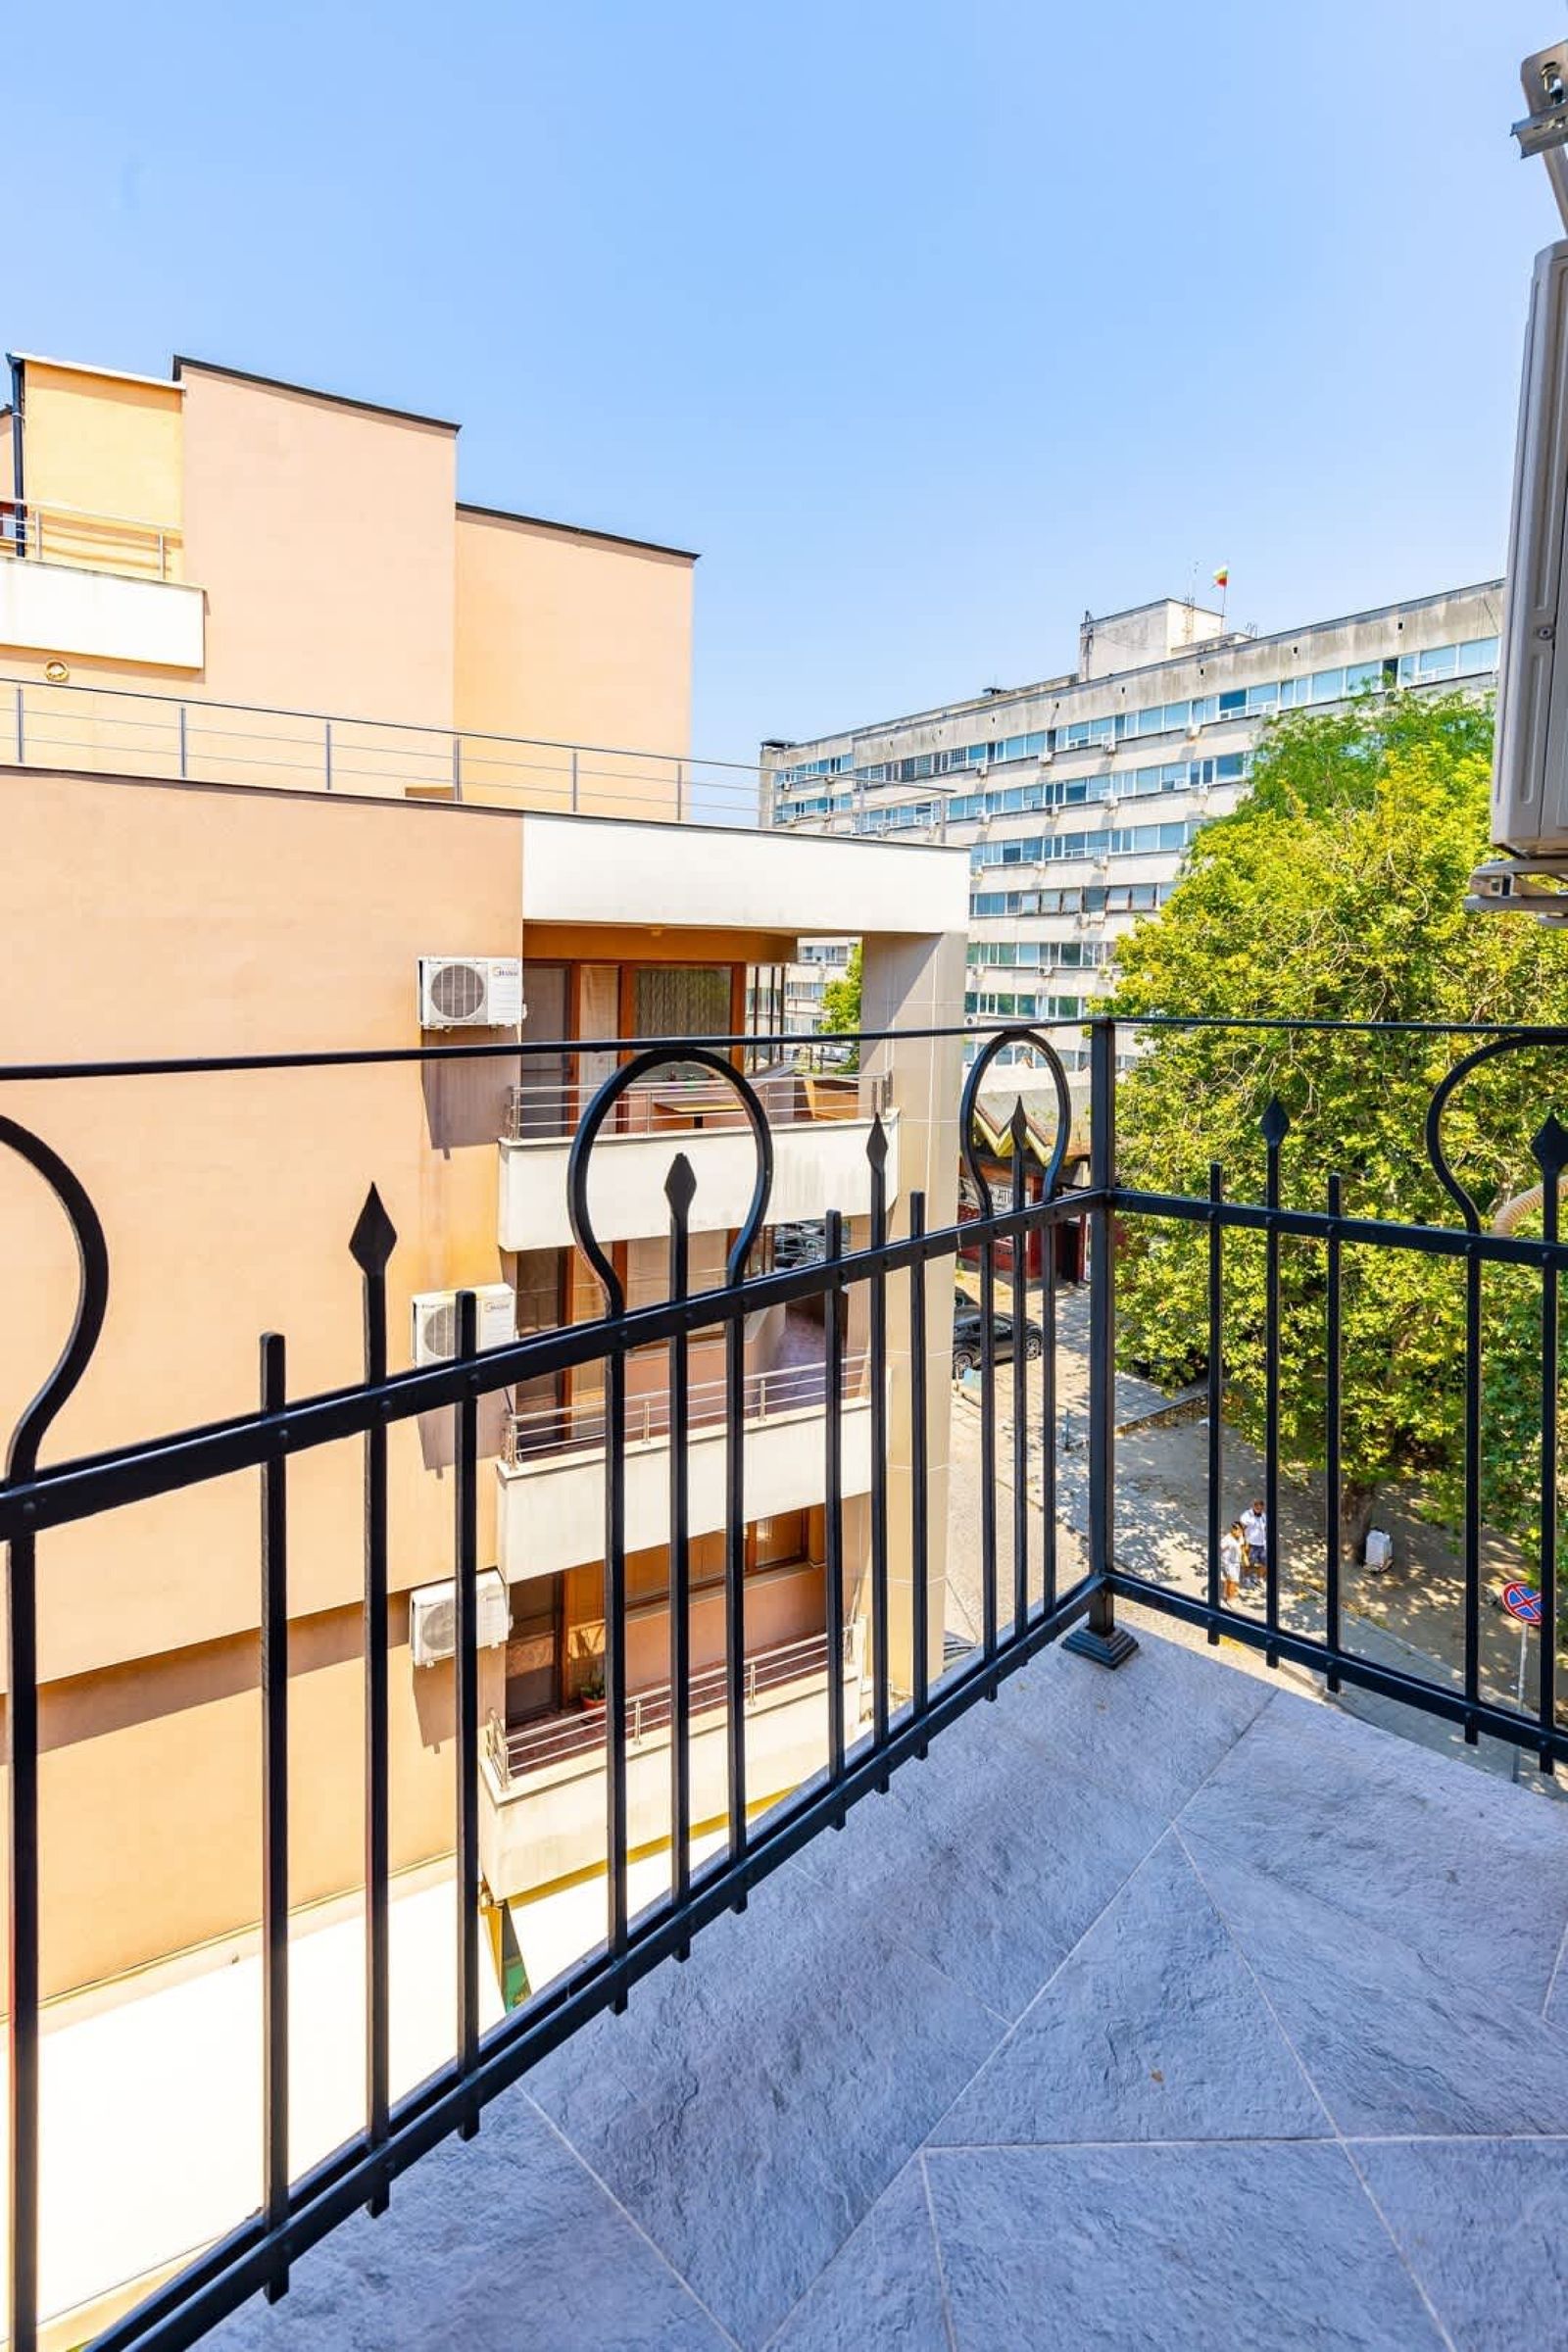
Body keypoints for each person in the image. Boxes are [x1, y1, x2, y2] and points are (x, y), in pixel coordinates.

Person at [1240, 1498, 1267, 1588]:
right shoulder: (1246, 1515)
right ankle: (1246, 1578)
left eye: (1261, 1507)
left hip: (1262, 1544)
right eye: (1257, 1506)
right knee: (1249, 1563)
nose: (1259, 1508)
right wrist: (1242, 1541)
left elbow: (1265, 1529)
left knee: (1265, 1562)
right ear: (1253, 1506)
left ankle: (1260, 1578)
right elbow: (1241, 1528)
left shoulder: (1264, 1516)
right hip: (1250, 1543)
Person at [1219, 1520, 1244, 1605]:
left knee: (1230, 1579)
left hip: (1237, 1562)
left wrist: (1245, 1558)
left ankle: (1226, 1593)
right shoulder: (1227, 1539)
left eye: (1241, 1530)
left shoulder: (1240, 1537)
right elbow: (1220, 1548)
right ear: (1233, 1530)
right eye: (1238, 1530)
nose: (1240, 1532)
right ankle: (1231, 1599)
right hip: (1229, 1563)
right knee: (1233, 1580)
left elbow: (1242, 1546)